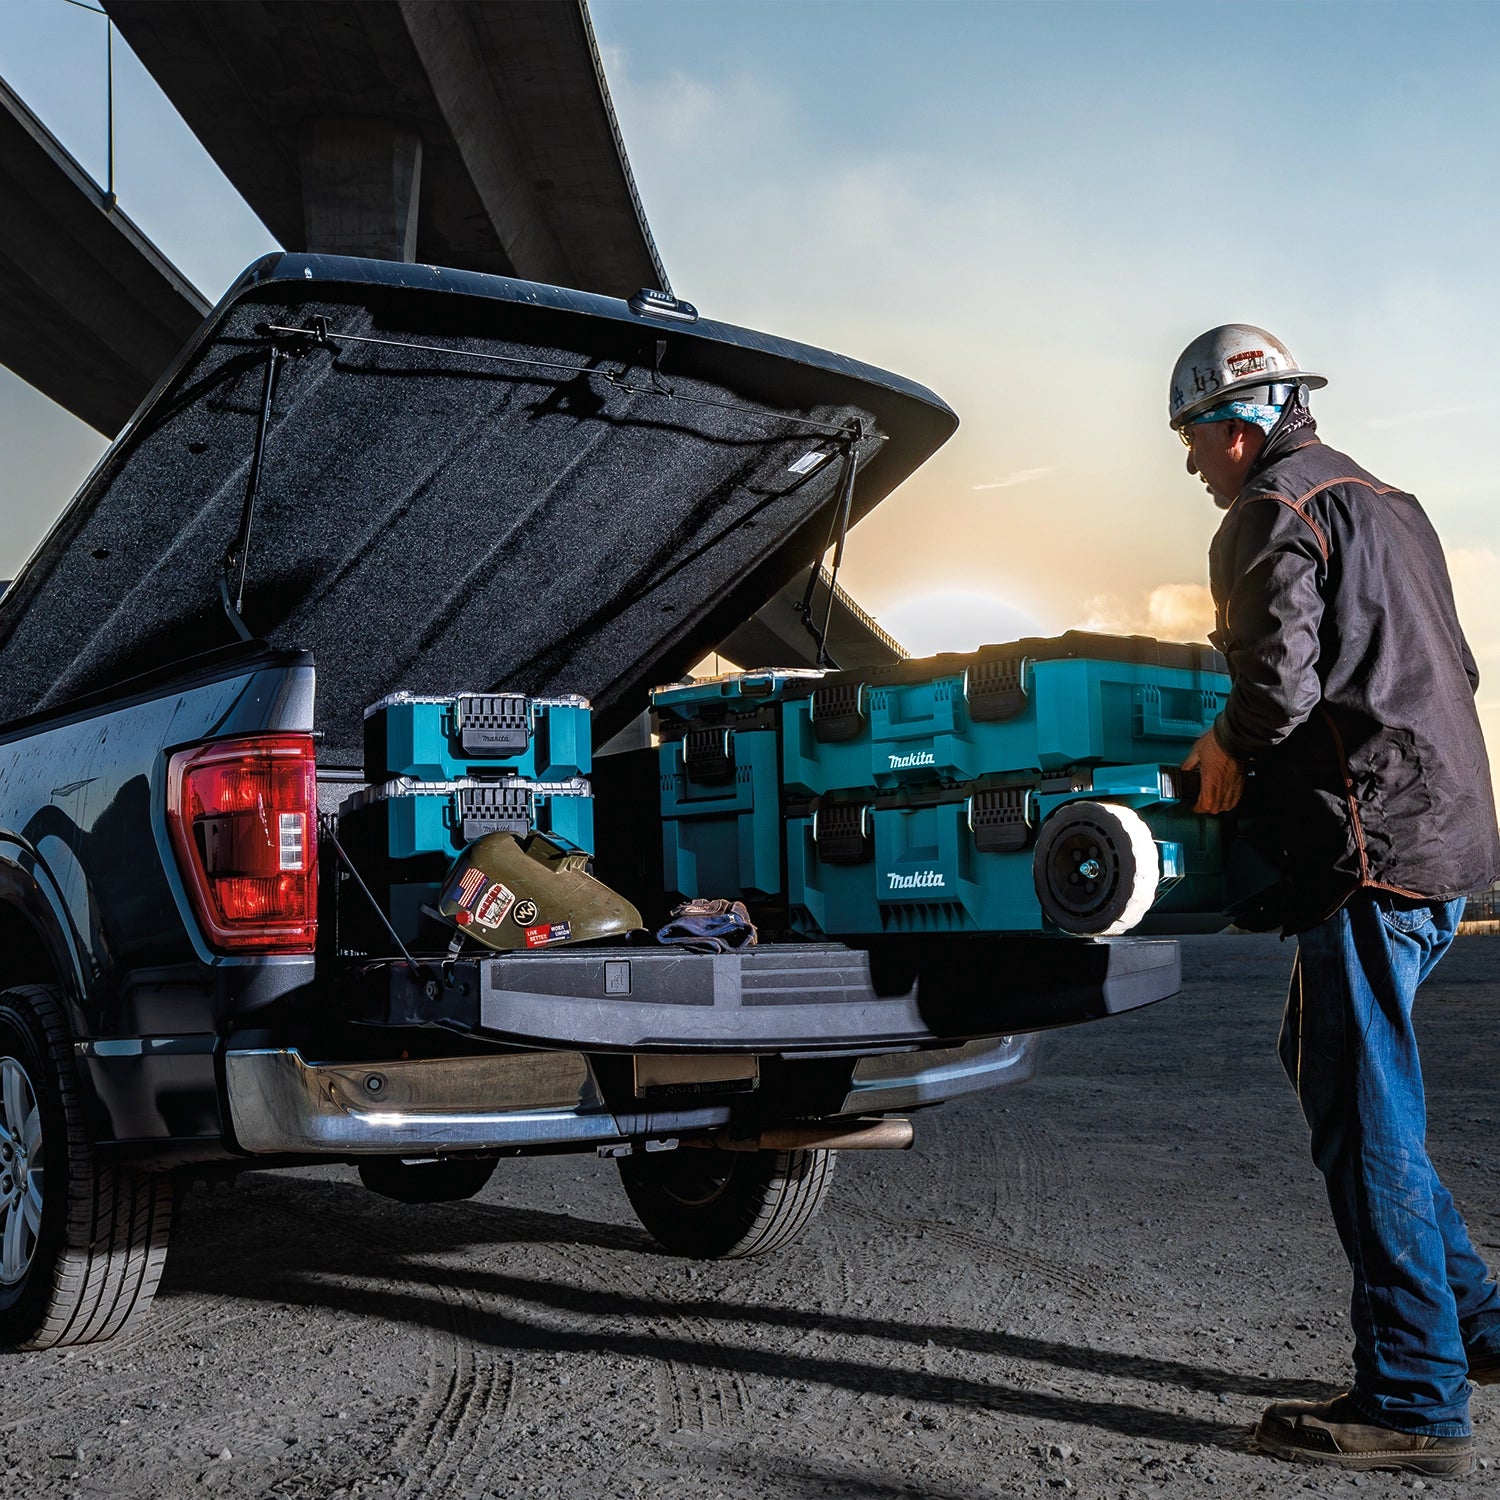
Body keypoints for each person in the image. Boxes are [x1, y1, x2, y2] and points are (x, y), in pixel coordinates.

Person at [1171, 325, 1500, 1477]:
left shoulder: (1269, 510)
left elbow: (1275, 688)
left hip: (1373, 847)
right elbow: (1454, 668)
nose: (1194, 464)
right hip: (1450, 840)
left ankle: (1413, 1396)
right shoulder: (1389, 502)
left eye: (1195, 441)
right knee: (1348, 1081)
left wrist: (1224, 746)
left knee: (1366, 1115)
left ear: (1238, 425)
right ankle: (1479, 1326)